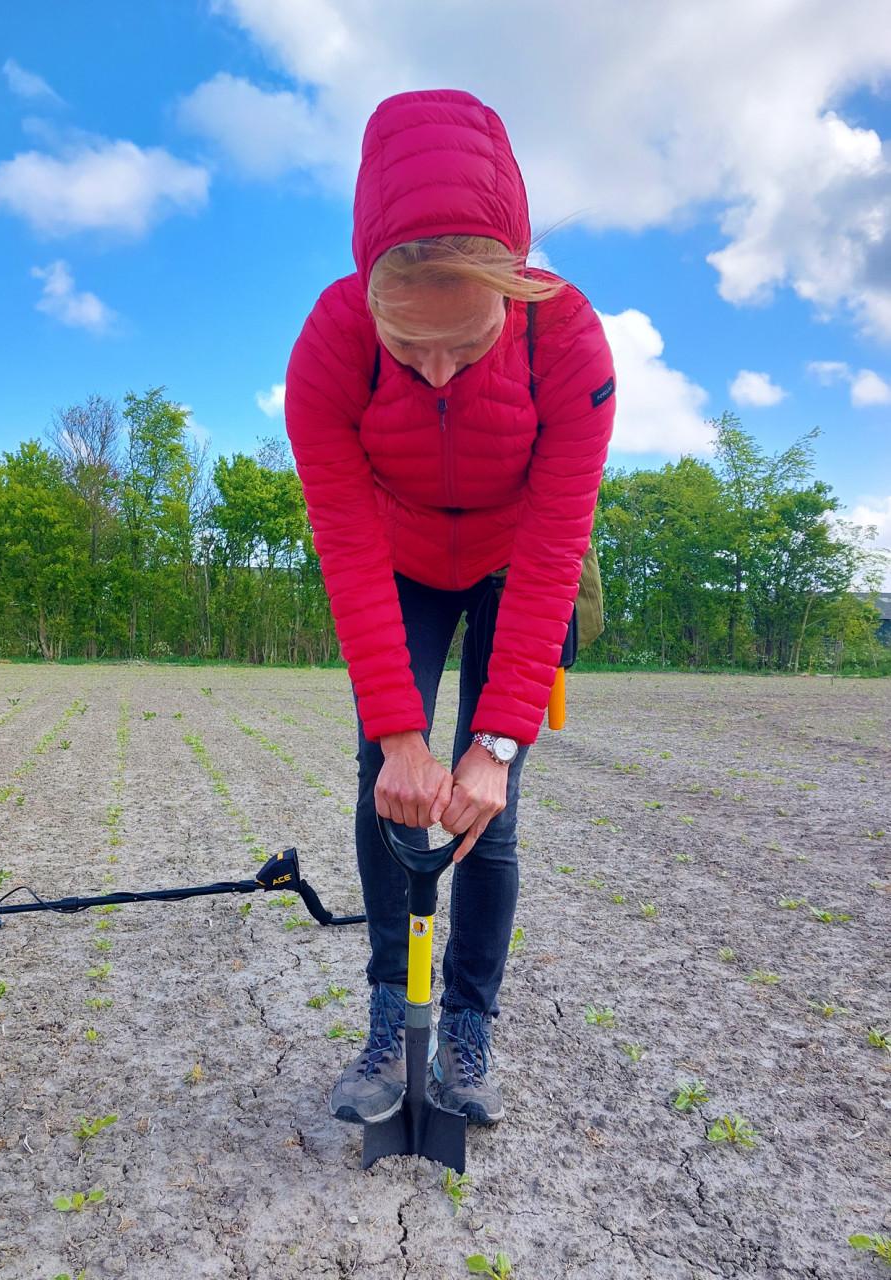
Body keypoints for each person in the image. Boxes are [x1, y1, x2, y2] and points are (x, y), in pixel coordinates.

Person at [284, 89, 616, 1128]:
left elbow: (558, 537)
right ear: (366, 295)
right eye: (408, 344)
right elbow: (343, 539)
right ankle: (392, 1012)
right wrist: (398, 735)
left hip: (518, 556)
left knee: (490, 806)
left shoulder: (567, 341)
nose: (433, 371)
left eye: (463, 347)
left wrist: (495, 747)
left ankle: (467, 1028)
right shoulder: (327, 348)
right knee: (385, 781)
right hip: (401, 557)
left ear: (512, 291)